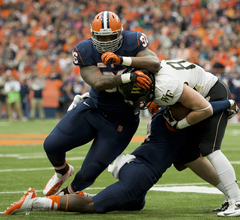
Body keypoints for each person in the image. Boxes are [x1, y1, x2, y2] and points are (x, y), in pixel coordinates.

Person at [4, 84, 240, 216]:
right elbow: (203, 109)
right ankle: (35, 203)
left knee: (136, 203)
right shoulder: (171, 115)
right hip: (140, 172)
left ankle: (72, 192)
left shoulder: (161, 116)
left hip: (135, 164)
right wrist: (227, 103)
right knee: (94, 206)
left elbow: (190, 154)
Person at [63, 61, 240, 217]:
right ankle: (232, 194)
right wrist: (90, 96)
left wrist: (227, 104)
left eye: (154, 104)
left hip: (210, 95)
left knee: (210, 148)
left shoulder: (166, 89)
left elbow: (204, 107)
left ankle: (239, 202)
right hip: (201, 95)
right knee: (188, 157)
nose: (152, 107)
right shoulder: (152, 78)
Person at [42, 11, 160, 198]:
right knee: (51, 145)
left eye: (111, 36)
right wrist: (129, 76)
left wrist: (123, 60)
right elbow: (97, 82)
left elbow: (155, 63)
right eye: (100, 37)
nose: (106, 42)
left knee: (89, 173)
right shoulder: (85, 49)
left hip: (122, 120)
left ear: (120, 33)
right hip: (94, 108)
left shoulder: (134, 40)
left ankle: (63, 198)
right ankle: (62, 171)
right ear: (92, 35)